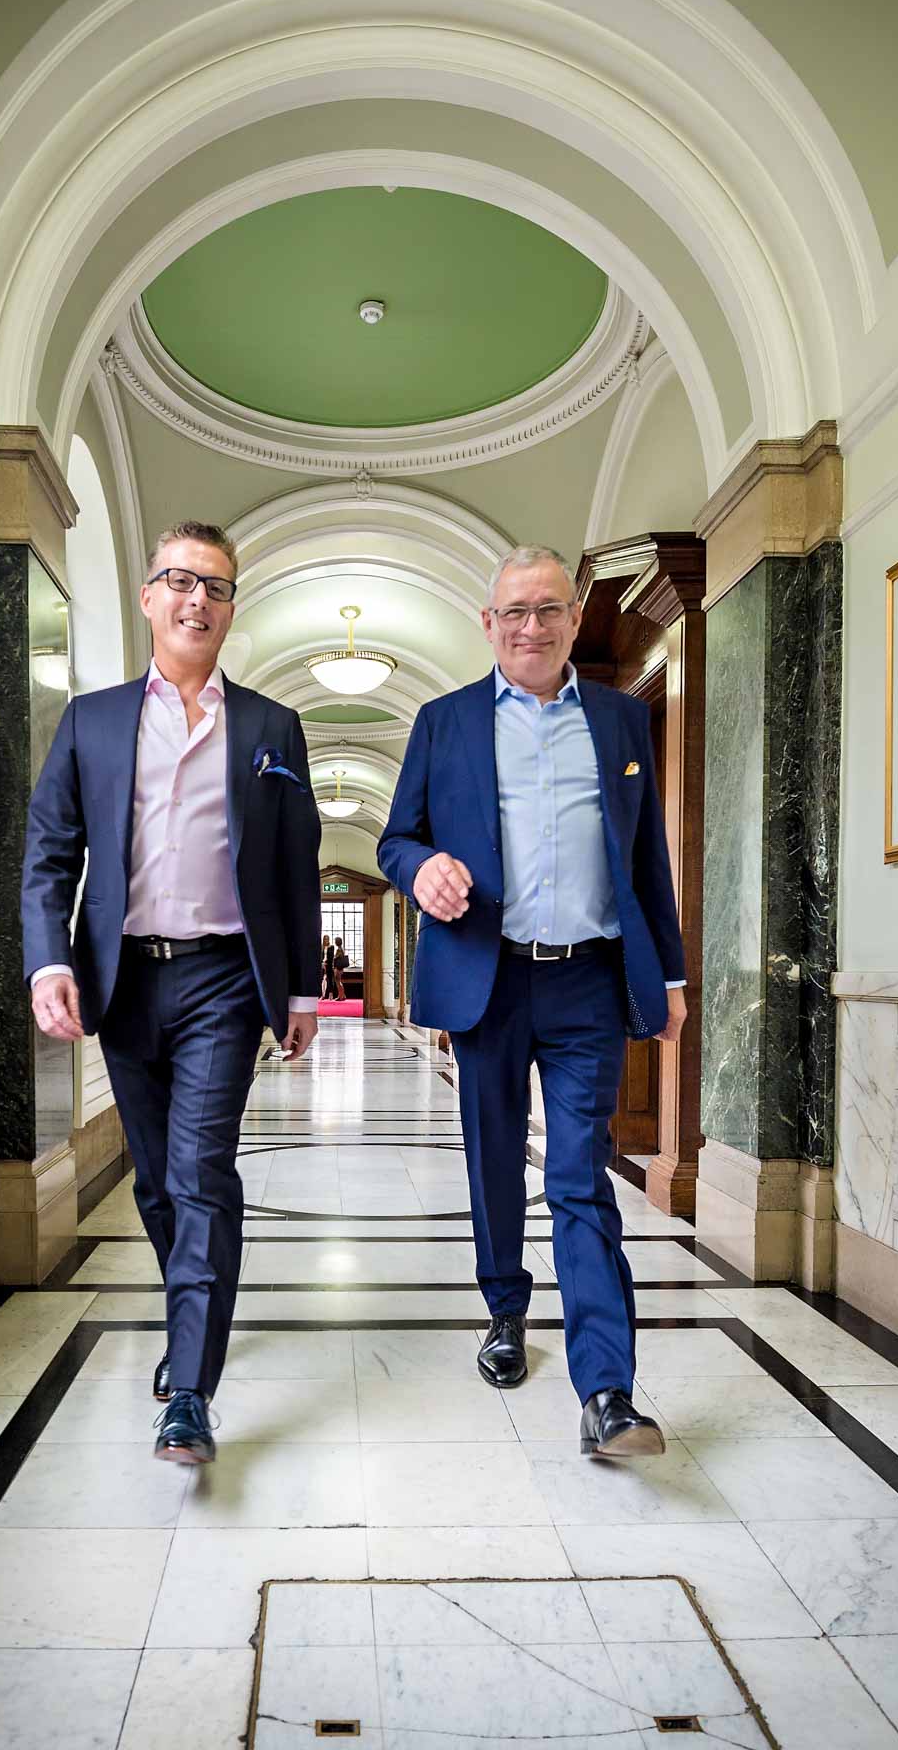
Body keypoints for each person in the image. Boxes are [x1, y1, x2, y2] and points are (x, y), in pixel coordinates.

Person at [378, 544, 687, 1460]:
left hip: (590, 978)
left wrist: (666, 977)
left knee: (581, 1178)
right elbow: (398, 836)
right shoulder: (446, 722)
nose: (531, 626)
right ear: (489, 623)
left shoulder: (624, 721)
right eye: (514, 611)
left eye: (549, 609)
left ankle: (608, 1392)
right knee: (495, 1157)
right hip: (490, 975)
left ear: (574, 616)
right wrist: (420, 866)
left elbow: (646, 861)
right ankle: (505, 1311)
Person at [22, 521, 321, 1464]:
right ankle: (193, 1306)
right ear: (149, 598)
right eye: (180, 582)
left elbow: (297, 868)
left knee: (200, 1173)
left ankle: (189, 1387)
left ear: (232, 609)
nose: (198, 600)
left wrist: (304, 988)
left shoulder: (273, 728)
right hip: (123, 981)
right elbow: (47, 856)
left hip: (227, 979)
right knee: (156, 1183)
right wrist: (49, 960)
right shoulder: (93, 722)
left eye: (218, 588)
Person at [333, 934, 349, 1001]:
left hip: (338, 967)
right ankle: (343, 995)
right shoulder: (342, 949)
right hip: (341, 967)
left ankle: (340, 996)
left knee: (338, 982)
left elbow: (336, 958)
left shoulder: (338, 950)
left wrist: (334, 957)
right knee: (339, 981)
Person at [320, 932, 334, 1001]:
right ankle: (323, 995)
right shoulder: (321, 947)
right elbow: (320, 956)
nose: (326, 940)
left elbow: (331, 957)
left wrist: (326, 963)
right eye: (325, 939)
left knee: (330, 980)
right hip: (322, 965)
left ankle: (330, 995)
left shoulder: (331, 947)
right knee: (322, 980)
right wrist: (322, 963)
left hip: (328, 965)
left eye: (327, 939)